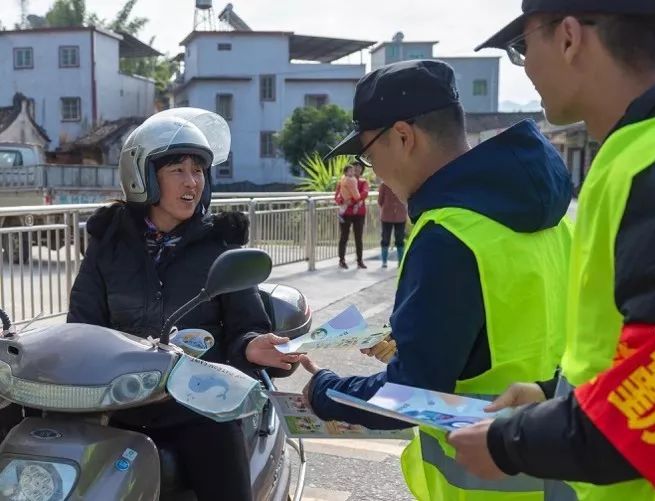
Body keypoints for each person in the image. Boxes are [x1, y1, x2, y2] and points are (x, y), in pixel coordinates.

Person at [449, 1, 655, 500]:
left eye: (523, 46)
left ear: (569, 37)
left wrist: (512, 443)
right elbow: (648, 344)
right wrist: (554, 397)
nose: (525, 65)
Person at [300, 59, 574, 500]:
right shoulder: (551, 216)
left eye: (368, 154)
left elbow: (411, 394)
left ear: (404, 136)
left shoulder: (446, 233)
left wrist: (327, 390)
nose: (372, 171)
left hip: (484, 486)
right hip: (558, 475)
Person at [67, 108, 300, 501]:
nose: (192, 181)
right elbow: (81, 329)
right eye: (177, 170)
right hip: (120, 406)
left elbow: (246, 326)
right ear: (143, 176)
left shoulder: (219, 246)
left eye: (199, 170)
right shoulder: (108, 246)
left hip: (199, 407)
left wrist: (254, 345)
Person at [335, 161, 369, 269]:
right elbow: (337, 196)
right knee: (344, 236)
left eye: (359, 168)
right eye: (355, 168)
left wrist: (353, 201)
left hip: (359, 213)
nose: (357, 170)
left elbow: (365, 193)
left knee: (358, 237)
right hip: (346, 213)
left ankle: (359, 260)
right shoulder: (343, 181)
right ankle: (342, 260)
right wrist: (342, 201)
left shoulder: (363, 182)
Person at [378, 180, 407, 267]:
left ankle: (400, 261)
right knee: (385, 238)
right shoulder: (384, 185)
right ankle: (384, 261)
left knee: (400, 239)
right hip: (387, 216)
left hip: (400, 216)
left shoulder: (404, 184)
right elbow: (380, 200)